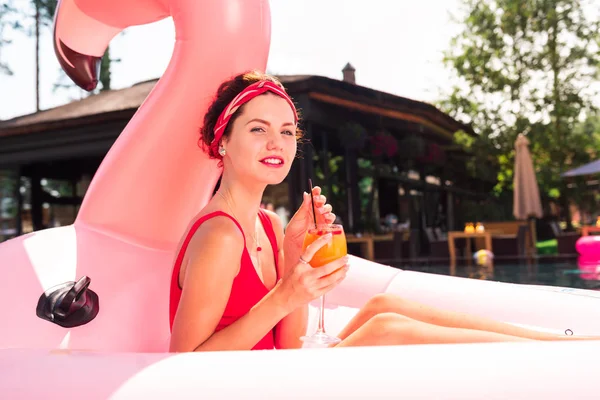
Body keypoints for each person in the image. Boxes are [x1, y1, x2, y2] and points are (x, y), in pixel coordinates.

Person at [168, 71, 593, 352]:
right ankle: (553, 351)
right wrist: (285, 295)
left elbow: (290, 340)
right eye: (257, 129)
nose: (276, 143)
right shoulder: (220, 236)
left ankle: (553, 342)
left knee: (382, 304)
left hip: (277, 370)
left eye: (285, 131)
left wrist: (295, 253)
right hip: (242, 387)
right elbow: (183, 363)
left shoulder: (268, 223)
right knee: (385, 328)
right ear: (223, 140)